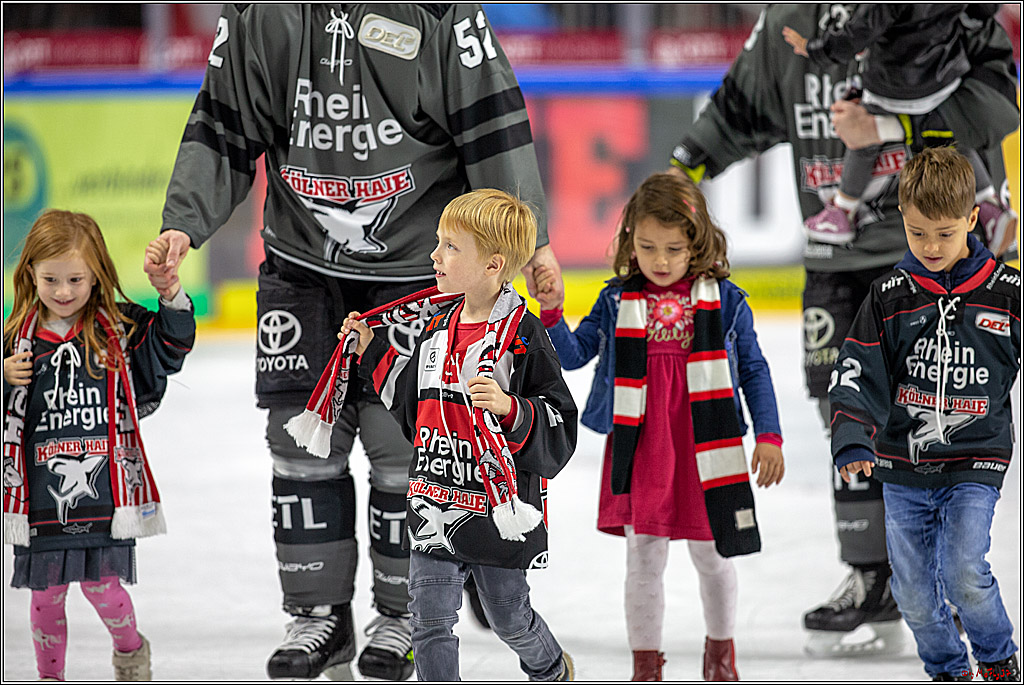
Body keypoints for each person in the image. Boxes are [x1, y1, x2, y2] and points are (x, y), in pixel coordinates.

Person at [145, 5, 563, 680]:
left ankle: (400, 612)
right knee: (298, 447)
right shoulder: (260, 15)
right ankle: (318, 615)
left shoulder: (442, 14)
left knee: (412, 449)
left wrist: (531, 241)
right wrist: (183, 226)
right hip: (301, 266)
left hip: (418, 275)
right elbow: (222, 120)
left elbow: (492, 125)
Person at [666, 3, 1019, 657]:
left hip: (933, 254)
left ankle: (952, 574)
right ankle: (871, 573)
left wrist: (892, 123)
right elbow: (739, 107)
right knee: (843, 406)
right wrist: (682, 171)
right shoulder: (785, 23)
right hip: (834, 257)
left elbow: (999, 103)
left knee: (942, 407)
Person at [533, 173, 785, 681]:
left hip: (707, 447)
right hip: (643, 447)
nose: (661, 260)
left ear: (698, 242)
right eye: (647, 247)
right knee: (643, 561)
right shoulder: (616, 300)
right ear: (629, 241)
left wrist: (770, 435)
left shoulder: (726, 301)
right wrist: (553, 310)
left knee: (714, 557)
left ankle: (721, 656)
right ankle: (645, 666)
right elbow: (575, 355)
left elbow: (755, 369)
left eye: (674, 248)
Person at [334, 189, 578, 681]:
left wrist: (513, 408)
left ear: (493, 264)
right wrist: (371, 347)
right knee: (428, 622)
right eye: (439, 242)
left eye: (450, 246)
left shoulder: (523, 336)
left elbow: (561, 420)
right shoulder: (439, 327)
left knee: (509, 617)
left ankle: (550, 667)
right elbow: (412, 405)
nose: (435, 255)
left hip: (497, 507)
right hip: (434, 499)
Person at [829, 146, 1020, 682]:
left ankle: (998, 658)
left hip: (975, 462)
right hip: (902, 467)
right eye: (917, 233)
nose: (930, 246)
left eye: (943, 232)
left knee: (963, 573)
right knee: (912, 592)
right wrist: (851, 438)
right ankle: (947, 671)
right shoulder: (890, 296)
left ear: (971, 220)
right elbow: (856, 370)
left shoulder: (1008, 295)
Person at [3, 210, 195, 681]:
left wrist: (169, 292)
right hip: (41, 497)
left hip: (105, 495)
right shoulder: (13, 340)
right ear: (29, 272)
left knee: (102, 588)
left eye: (76, 278)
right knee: (46, 596)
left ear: (97, 274)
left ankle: (130, 651)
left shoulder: (120, 328)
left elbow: (171, 348)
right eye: (51, 279)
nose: (63, 291)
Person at [781, 4, 1017, 246]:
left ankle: (843, 210)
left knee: (861, 139)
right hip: (943, 77)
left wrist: (816, 49)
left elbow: (861, 30)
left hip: (895, 84)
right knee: (954, 137)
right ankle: (990, 205)